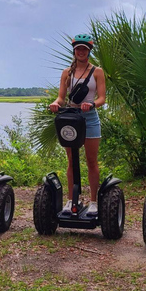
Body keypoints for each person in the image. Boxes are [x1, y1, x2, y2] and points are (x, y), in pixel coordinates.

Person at [48, 34, 107, 216]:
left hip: (89, 118)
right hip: (71, 118)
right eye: (78, 49)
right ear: (74, 51)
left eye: (84, 49)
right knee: (72, 161)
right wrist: (57, 103)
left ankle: (94, 201)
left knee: (91, 161)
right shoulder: (67, 72)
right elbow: (61, 96)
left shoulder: (97, 71)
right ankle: (71, 199)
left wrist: (92, 104)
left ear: (89, 51)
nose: (81, 52)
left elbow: (102, 98)